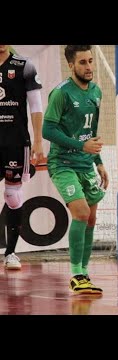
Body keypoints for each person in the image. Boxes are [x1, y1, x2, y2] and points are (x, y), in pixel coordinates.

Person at [42, 45, 108, 294]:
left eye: (91, 61)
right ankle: (75, 274)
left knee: (91, 218)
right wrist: (81, 146)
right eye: (83, 62)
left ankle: (84, 273)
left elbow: (92, 133)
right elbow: (47, 131)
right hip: (63, 164)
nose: (89, 66)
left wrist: (99, 162)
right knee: (80, 213)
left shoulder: (96, 92)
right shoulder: (61, 94)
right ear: (71, 65)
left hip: (86, 163)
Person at [0, 45, 44, 270]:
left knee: (12, 195)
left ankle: (10, 253)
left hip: (16, 142)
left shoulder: (24, 66)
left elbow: (36, 105)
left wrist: (37, 140)